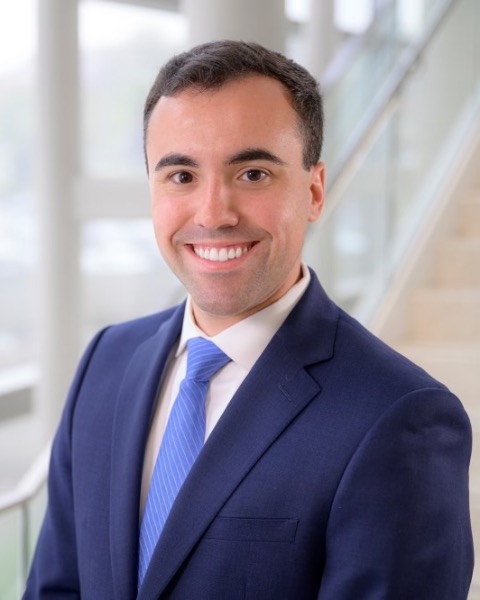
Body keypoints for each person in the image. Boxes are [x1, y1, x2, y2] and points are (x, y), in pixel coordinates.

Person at [24, 40, 473, 599]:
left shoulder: (401, 417)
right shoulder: (106, 362)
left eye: (253, 173)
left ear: (314, 191)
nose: (214, 214)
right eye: (181, 176)